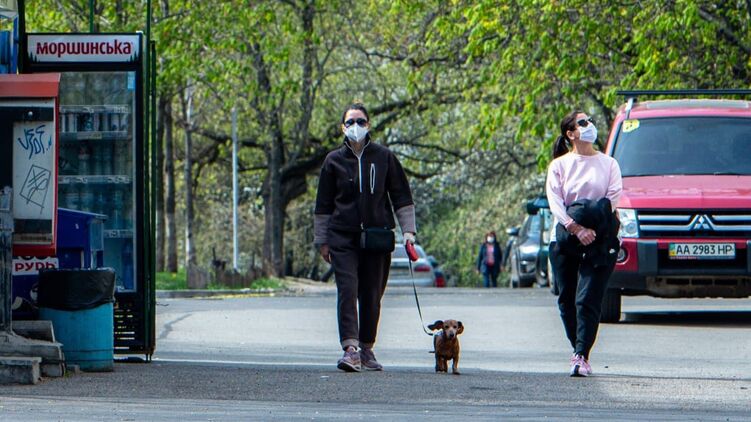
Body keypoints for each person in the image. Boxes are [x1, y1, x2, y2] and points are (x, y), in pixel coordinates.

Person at [313, 103, 417, 372]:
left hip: (377, 237)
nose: (355, 127)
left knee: (372, 294)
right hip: (342, 236)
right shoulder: (333, 161)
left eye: (360, 121)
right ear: (342, 128)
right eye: (350, 122)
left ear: (368, 125)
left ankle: (366, 347)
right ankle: (350, 350)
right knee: (347, 290)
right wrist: (322, 241)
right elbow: (323, 204)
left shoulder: (384, 157)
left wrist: (408, 232)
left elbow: (401, 196)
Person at [545, 110, 622, 377]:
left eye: (590, 121)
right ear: (571, 133)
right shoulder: (559, 165)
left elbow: (613, 197)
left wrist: (593, 228)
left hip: (600, 237)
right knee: (567, 299)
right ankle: (577, 346)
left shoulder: (609, 164)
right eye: (583, 122)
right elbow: (556, 202)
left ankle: (581, 354)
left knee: (588, 298)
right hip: (566, 237)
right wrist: (575, 228)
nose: (590, 125)